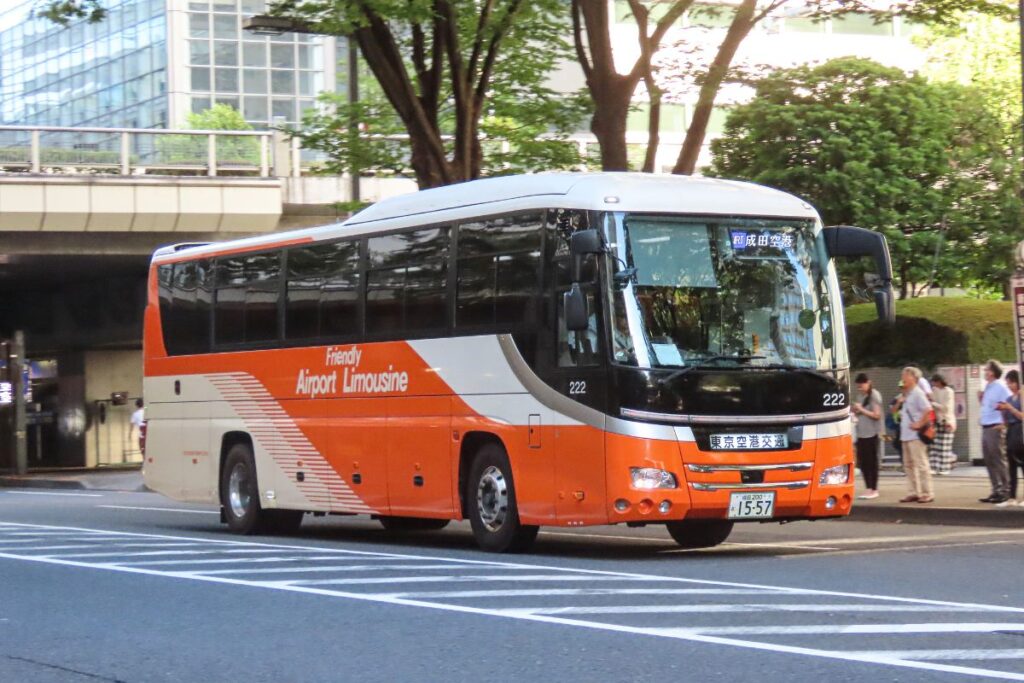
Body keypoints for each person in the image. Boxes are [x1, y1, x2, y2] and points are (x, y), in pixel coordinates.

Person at [978, 360, 1012, 504]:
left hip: (995, 427)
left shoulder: (1000, 387)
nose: (985, 372)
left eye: (987, 370)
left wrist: (1003, 422)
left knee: (998, 459)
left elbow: (1008, 404)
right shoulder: (988, 387)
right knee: (989, 459)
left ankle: (1005, 489)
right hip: (985, 426)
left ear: (993, 372)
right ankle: (995, 489)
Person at [899, 366, 934, 503]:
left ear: (913, 377)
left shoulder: (918, 393)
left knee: (920, 464)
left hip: (915, 435)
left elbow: (928, 409)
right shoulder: (907, 394)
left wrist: (919, 423)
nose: (903, 378)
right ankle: (914, 491)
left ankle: (927, 492)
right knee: (908, 464)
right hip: (906, 434)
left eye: (905, 375)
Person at [851, 372, 883, 499]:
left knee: (872, 462)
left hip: (872, 433)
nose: (860, 387)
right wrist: (856, 410)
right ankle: (868, 488)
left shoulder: (874, 395)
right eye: (858, 385)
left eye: (862, 385)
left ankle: (874, 489)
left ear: (868, 383)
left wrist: (862, 409)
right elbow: (861, 413)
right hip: (861, 433)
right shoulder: (860, 396)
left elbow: (877, 415)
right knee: (863, 462)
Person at [996, 369, 1024, 507]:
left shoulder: (1021, 397)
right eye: (1008, 384)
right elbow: (1006, 421)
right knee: (1011, 466)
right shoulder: (1008, 399)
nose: (1009, 386)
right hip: (1011, 432)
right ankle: (1012, 496)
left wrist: (1010, 408)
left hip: (1021, 430)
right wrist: (1002, 413)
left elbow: (1022, 416)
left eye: (1011, 383)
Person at [928, 373, 957, 475]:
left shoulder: (949, 391)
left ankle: (944, 468)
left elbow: (946, 408)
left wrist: (933, 403)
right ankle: (934, 467)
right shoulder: (934, 390)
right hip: (936, 421)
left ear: (939, 381)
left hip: (946, 420)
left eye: (934, 381)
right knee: (934, 445)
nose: (933, 384)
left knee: (944, 446)